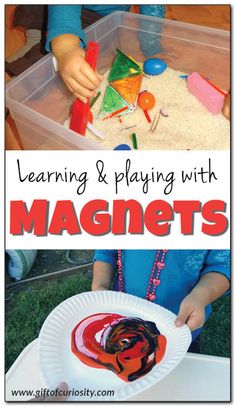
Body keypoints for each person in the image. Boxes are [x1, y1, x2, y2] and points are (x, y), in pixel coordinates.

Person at [92, 250, 230, 351]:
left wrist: (200, 296)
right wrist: (100, 285)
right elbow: (106, 250)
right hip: (120, 319)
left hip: (179, 326)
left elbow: (222, 264)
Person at [46, 5, 165, 102]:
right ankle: (35, 30)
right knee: (39, 78)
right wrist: (67, 49)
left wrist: (151, 45)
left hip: (106, 18)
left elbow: (152, 9)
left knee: (96, 60)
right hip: (75, 14)